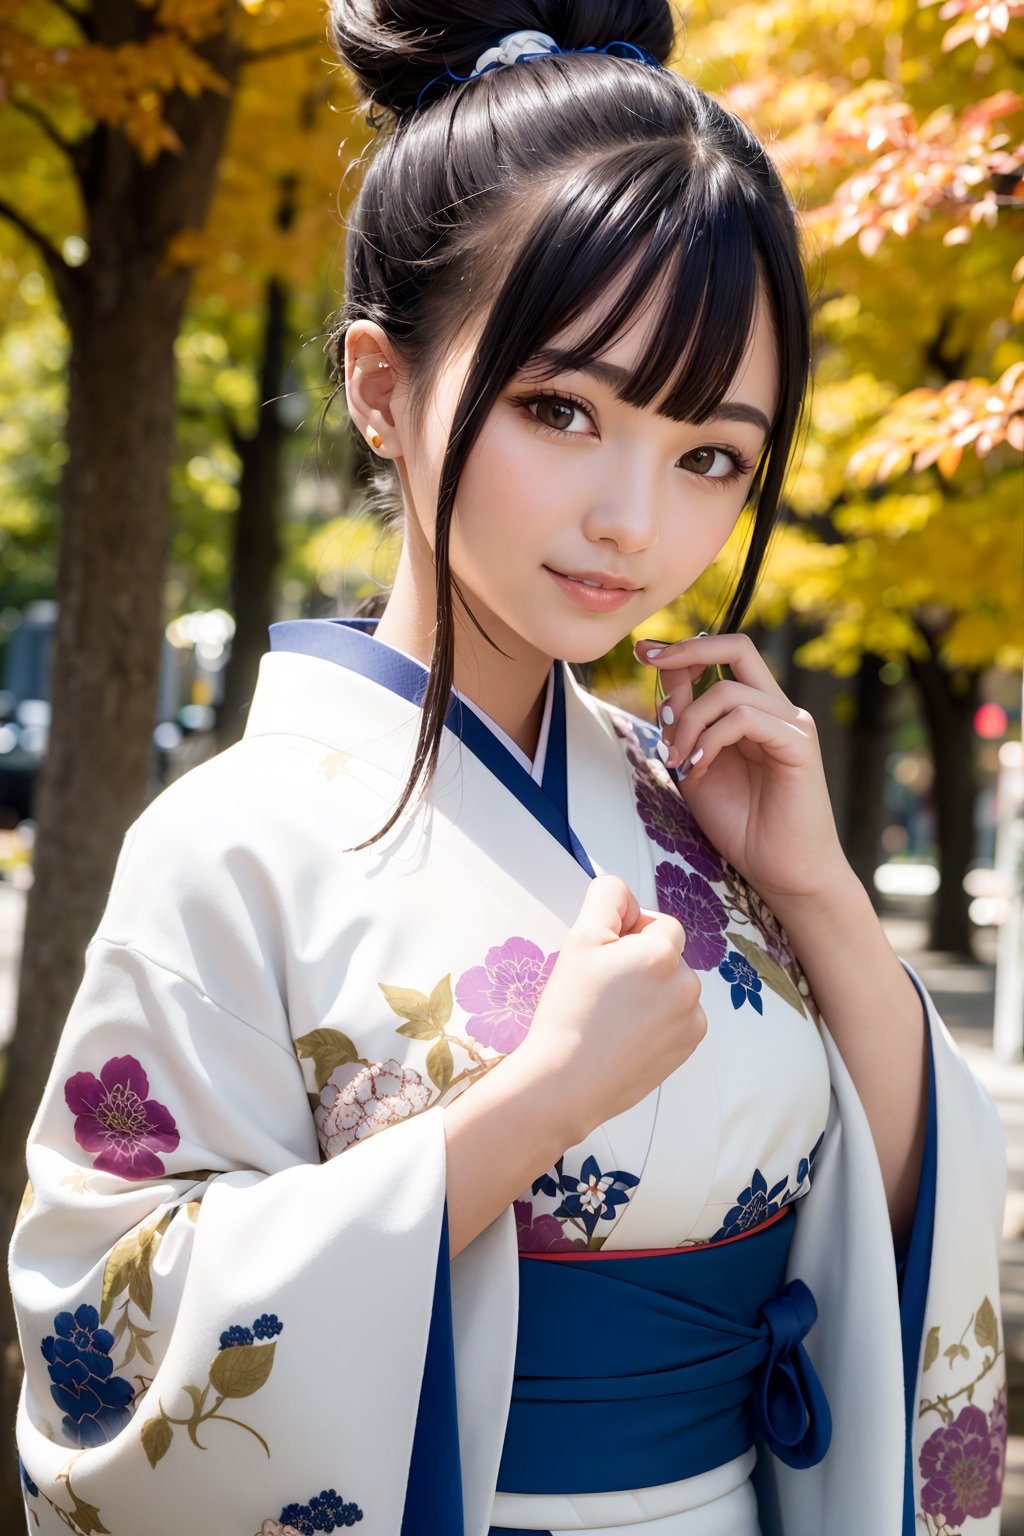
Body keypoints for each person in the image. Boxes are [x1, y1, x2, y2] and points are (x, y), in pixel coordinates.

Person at [9, 5, 1008, 1535]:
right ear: (382, 388)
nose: (633, 520)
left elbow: (889, 1227)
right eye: (561, 409)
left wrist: (818, 896)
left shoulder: (709, 820)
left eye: (710, 456)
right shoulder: (226, 844)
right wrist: (532, 1103)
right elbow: (103, 1341)